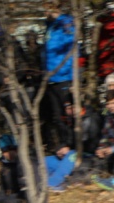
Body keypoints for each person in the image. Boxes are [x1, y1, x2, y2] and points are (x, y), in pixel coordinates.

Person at [45, 98, 102, 190]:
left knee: (71, 156)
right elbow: (68, 140)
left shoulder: (92, 119)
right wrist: (61, 148)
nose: (71, 111)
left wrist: (73, 149)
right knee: (46, 161)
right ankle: (43, 182)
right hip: (72, 154)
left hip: (88, 157)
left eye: (73, 107)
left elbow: (93, 144)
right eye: (68, 108)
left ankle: (52, 185)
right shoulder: (71, 120)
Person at [41, 1, 76, 152]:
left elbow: (71, 44)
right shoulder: (50, 27)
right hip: (51, 79)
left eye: (47, 10)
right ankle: (63, 144)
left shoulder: (66, 22)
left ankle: (72, 144)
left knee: (68, 114)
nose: (45, 13)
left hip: (64, 77)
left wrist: (71, 76)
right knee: (57, 116)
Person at [0, 135, 25, 203]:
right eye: (3, 151)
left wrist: (10, 200)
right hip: (10, 201)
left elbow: (26, 191)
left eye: (6, 150)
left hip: (20, 202)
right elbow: (3, 188)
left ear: (15, 150)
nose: (5, 154)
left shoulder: (23, 166)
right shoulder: (5, 168)